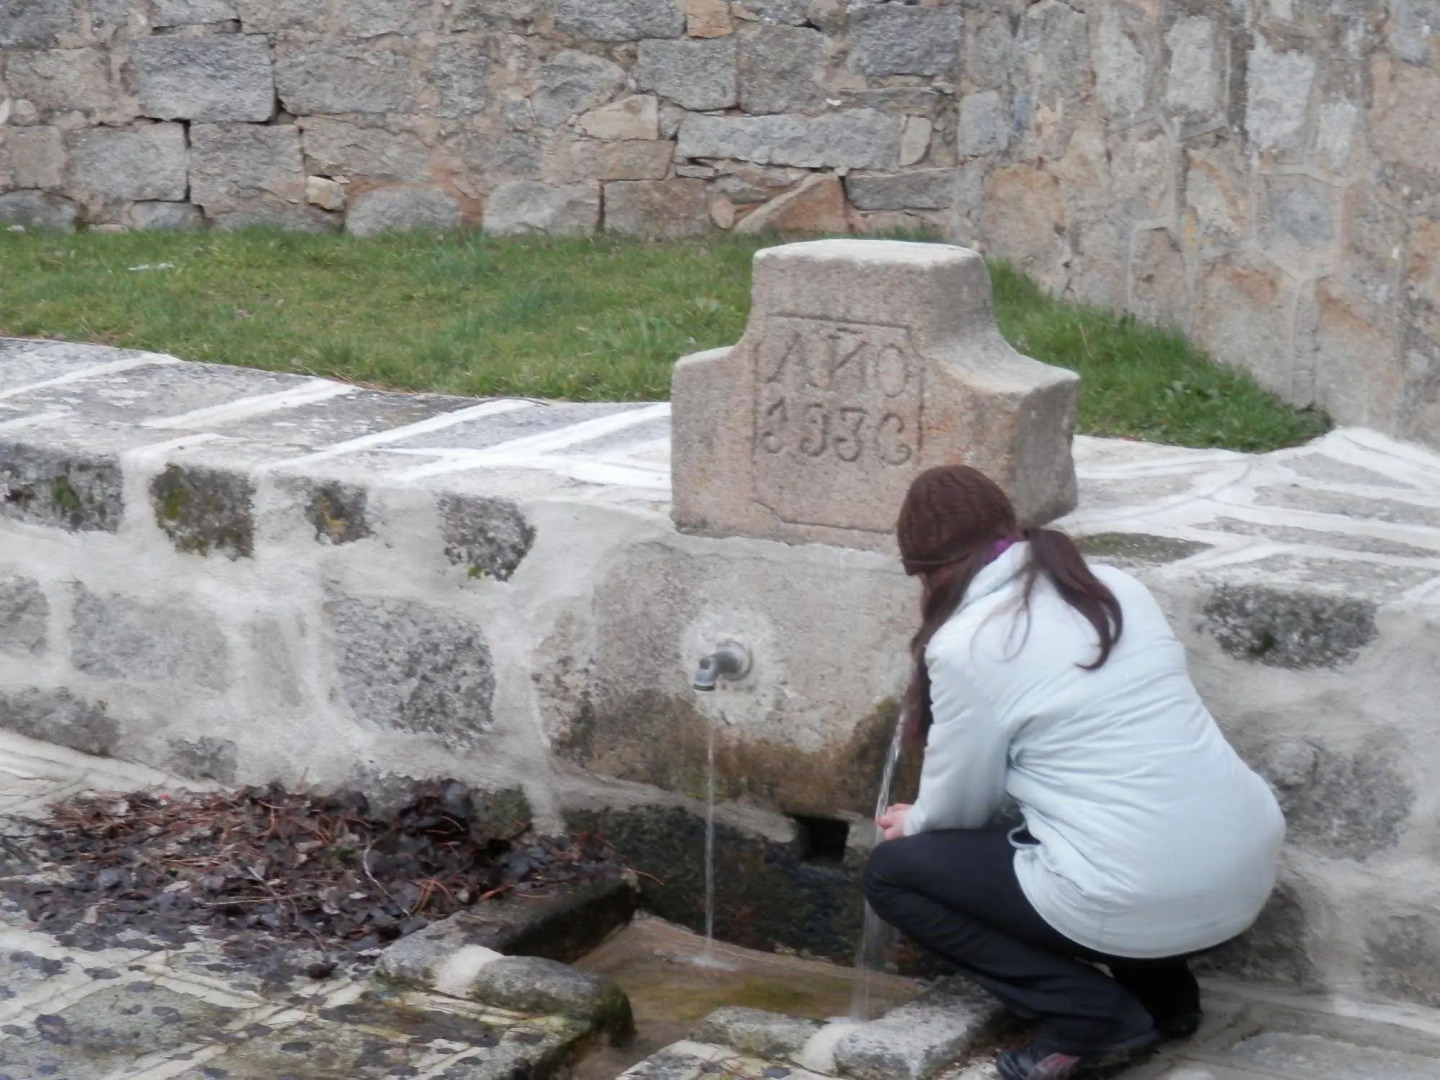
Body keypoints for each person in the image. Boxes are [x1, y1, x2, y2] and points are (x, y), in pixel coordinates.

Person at [863, 465, 1285, 1080]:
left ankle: (1092, 1017)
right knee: (1107, 832)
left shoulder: (966, 644)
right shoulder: (1109, 584)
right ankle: (1171, 1004)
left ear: (930, 573)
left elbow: (962, 808)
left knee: (894, 875)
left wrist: (915, 823)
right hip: (1244, 873)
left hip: (1136, 891)